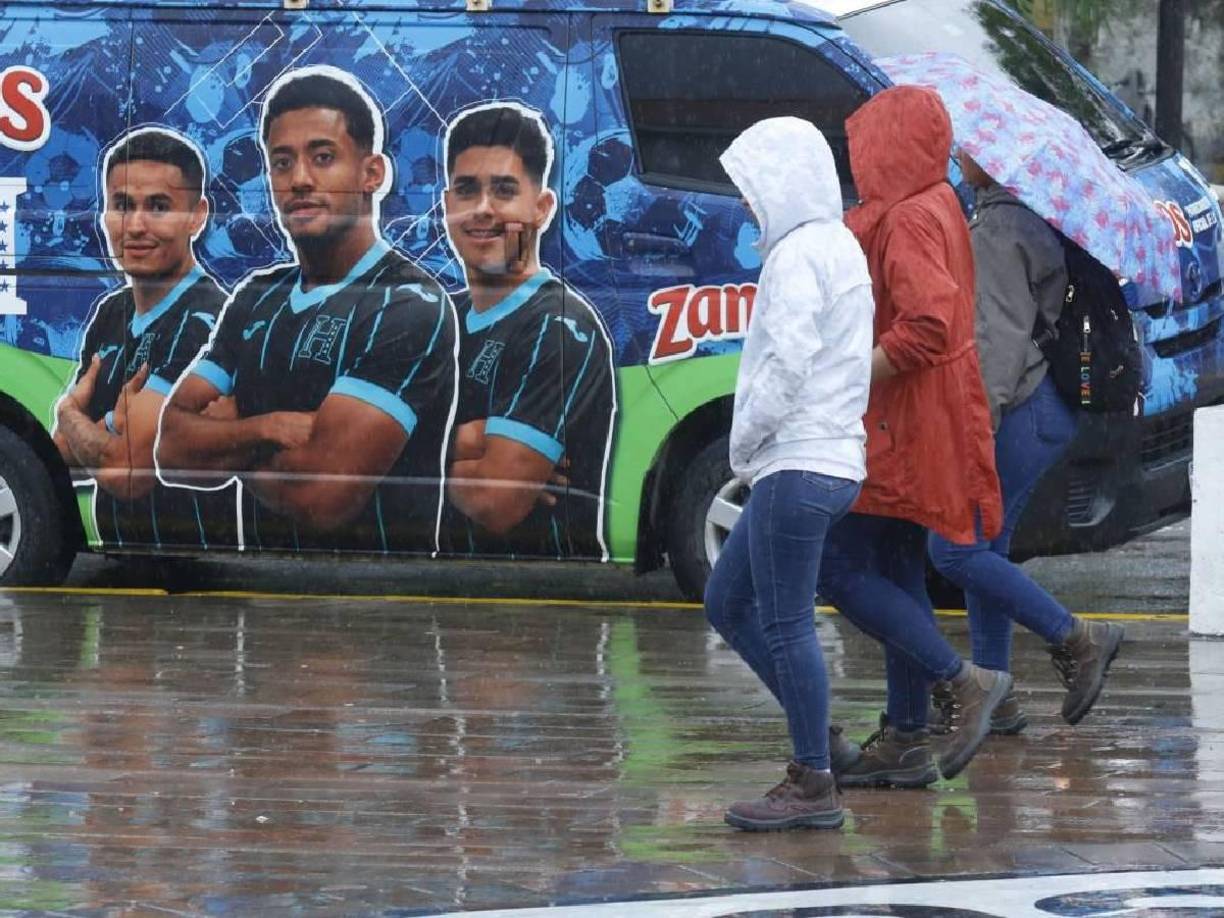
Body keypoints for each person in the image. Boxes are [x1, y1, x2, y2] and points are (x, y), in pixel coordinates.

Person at [156, 67, 457, 553]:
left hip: (383, 604)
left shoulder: (404, 304)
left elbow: (322, 497)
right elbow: (168, 449)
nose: (299, 179)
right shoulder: (257, 296)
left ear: (371, 173)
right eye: (281, 162)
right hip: (256, 605)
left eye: (322, 157)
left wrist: (225, 439)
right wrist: (266, 429)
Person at [816, 85, 1011, 788]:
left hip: (902, 417)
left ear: (890, 145)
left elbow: (927, 323)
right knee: (898, 565)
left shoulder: (904, 219)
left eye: (866, 144)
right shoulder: (938, 202)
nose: (858, 158)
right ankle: (905, 734)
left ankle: (958, 680)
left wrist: (848, 370)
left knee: (835, 564)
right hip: (928, 413)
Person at [705, 117, 874, 832]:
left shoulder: (799, 255)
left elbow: (785, 361)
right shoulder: (837, 246)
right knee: (726, 600)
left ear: (782, 182)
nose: (747, 205)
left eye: (751, 188)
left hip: (797, 461)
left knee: (783, 622)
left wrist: (742, 444)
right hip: (830, 461)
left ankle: (812, 781)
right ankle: (822, 741)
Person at [927, 151, 1124, 732]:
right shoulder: (1024, 215)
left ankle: (1077, 636)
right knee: (986, 551)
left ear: (994, 160)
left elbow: (997, 342)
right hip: (1044, 405)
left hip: (1019, 408)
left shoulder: (999, 228)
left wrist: (976, 426)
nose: (958, 155)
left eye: (969, 150)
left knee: (953, 550)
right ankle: (997, 691)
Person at [441, 104, 616, 560]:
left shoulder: (556, 327)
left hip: (531, 603)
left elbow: (495, 502)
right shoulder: (438, 321)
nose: (482, 209)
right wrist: (466, 446)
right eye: (466, 190)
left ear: (541, 209)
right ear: (446, 207)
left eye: (503, 190)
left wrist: (392, 457)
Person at [54, 128, 235, 549]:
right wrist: (101, 428)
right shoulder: (110, 314)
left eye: (158, 206)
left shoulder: (206, 320)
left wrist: (69, 413)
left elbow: (126, 470)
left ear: (197, 215)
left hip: (191, 566)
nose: (135, 225)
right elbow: (61, 451)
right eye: (122, 205)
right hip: (124, 559)